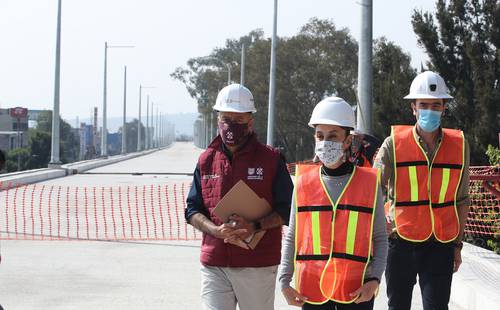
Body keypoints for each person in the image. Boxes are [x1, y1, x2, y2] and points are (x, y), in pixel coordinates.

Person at [185, 83, 293, 310]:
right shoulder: (206, 160)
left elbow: (288, 210)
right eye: (226, 119)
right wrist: (215, 230)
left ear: (250, 123)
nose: (231, 126)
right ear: (217, 120)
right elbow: (192, 209)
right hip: (214, 262)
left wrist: (255, 225)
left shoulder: (271, 159)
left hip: (257, 265)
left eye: (238, 120)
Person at [278, 97, 388, 309]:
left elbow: (380, 238)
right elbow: (292, 235)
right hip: (312, 290)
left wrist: (374, 281)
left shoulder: (369, 183)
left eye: (333, 136)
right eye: (320, 136)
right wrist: (284, 282)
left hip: (356, 291)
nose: (325, 142)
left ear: (348, 140)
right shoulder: (303, 182)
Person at [373, 71, 470, 310]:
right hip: (400, 242)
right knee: (398, 306)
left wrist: (457, 246)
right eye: (423, 104)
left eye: (436, 105)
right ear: (413, 108)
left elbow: (462, 199)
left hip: (441, 244)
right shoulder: (393, 143)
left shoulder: (459, 145)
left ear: (444, 108)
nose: (430, 110)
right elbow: (372, 190)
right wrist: (379, 225)